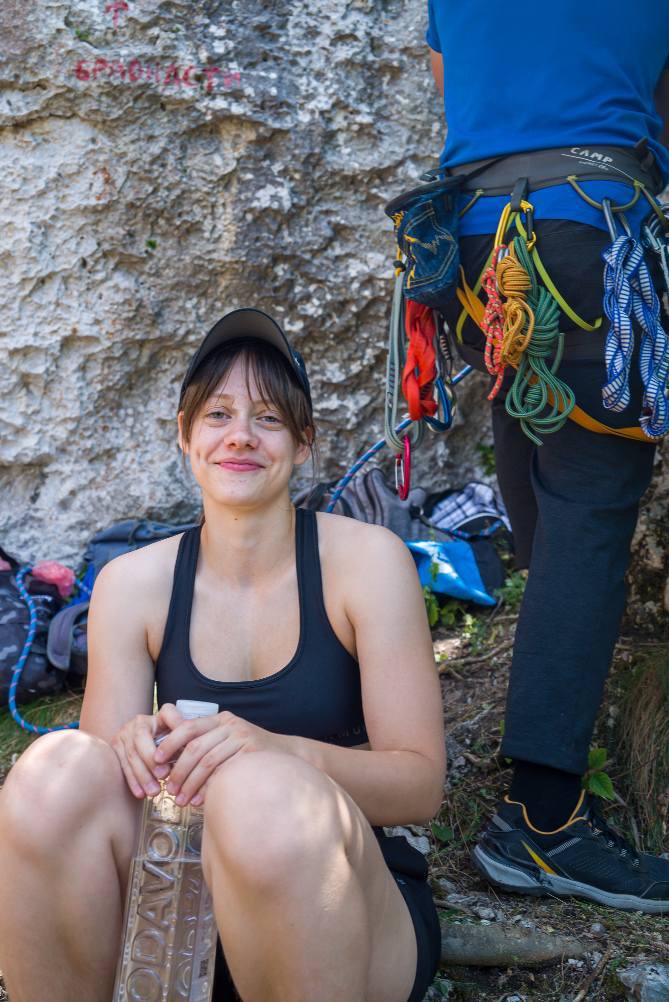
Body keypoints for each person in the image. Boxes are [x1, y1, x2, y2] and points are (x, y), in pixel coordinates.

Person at [0, 309, 445, 1002]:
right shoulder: (131, 584)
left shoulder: (367, 564)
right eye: (217, 414)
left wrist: (274, 752)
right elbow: (97, 798)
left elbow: (419, 786)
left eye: (268, 418)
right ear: (185, 436)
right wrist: (130, 745)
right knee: (53, 772)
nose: (240, 435)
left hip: (338, 917)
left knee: (258, 792)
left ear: (303, 443)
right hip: (176, 912)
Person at [423, 0, 669, 910]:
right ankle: (542, 820)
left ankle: (542, 664)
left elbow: (455, 91)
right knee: (588, 507)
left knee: (532, 440)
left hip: (470, 238)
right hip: (584, 228)